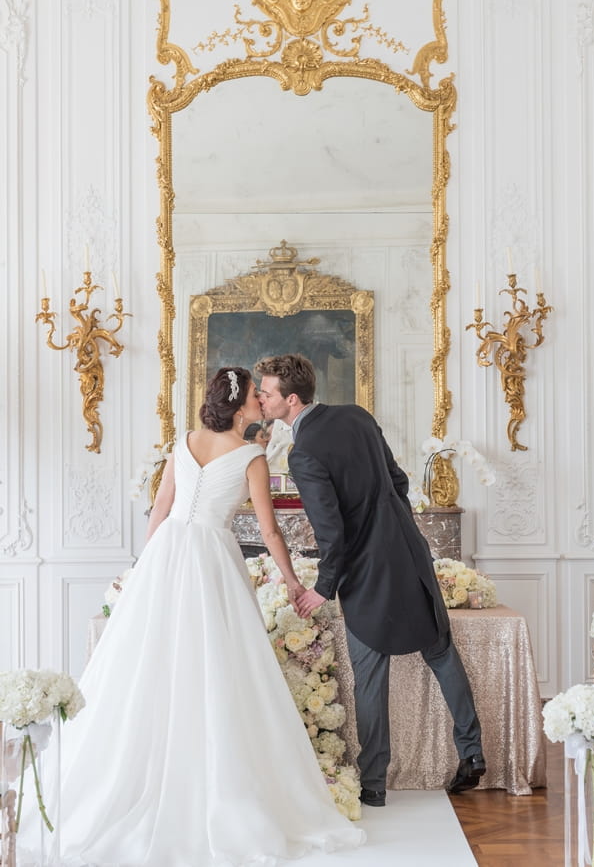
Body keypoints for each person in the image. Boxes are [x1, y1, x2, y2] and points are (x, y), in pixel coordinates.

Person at [18, 367, 364, 866]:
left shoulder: (182, 442)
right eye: (253, 396)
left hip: (167, 556)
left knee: (149, 666)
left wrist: (146, 571)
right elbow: (269, 533)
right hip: (213, 562)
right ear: (241, 405)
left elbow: (159, 512)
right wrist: (290, 581)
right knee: (217, 667)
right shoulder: (252, 455)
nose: (258, 403)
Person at [255, 354, 486, 807]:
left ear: (292, 399)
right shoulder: (358, 416)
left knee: (370, 673)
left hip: (365, 568)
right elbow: (397, 480)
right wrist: (389, 522)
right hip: (408, 549)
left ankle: (374, 784)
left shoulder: (303, 453)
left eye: (267, 391)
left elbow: (330, 529)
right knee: (440, 651)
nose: (262, 398)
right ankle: (473, 754)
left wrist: (324, 586)